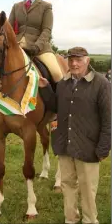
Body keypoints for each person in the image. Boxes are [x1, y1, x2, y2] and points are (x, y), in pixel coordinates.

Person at [39, 46, 111, 224]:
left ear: (87, 61)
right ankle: (70, 219)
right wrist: (46, 89)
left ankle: (89, 220)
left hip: (89, 147)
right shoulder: (63, 84)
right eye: (71, 60)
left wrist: (103, 148)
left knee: (87, 189)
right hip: (65, 145)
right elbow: (56, 107)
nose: (74, 63)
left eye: (78, 60)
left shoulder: (102, 84)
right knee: (67, 186)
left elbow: (108, 119)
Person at [8, 0, 63, 83]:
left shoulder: (46, 6)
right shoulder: (16, 7)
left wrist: (37, 46)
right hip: (18, 46)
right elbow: (9, 28)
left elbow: (47, 30)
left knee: (57, 74)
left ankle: (60, 100)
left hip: (40, 49)